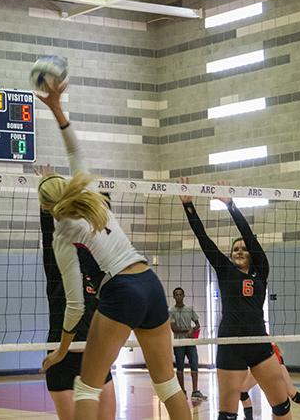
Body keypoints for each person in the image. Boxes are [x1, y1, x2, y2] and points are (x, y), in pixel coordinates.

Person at [37, 82, 191, 420]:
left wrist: (62, 348)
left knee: (87, 387)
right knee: (168, 384)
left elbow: (75, 304)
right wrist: (57, 109)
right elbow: (75, 152)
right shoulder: (90, 192)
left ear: (46, 209)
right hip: (150, 282)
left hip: (121, 291)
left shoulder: (61, 235)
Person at [178, 178, 292, 420]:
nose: (240, 251)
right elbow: (204, 239)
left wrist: (231, 205)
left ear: (251, 254)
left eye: (244, 249)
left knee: (281, 405)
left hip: (259, 342)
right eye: (235, 249)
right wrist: (189, 206)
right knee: (227, 413)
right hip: (230, 344)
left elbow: (249, 236)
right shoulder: (224, 270)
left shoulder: (261, 271)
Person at [39, 182, 116, 420]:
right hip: (61, 358)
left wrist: (103, 195)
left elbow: (105, 230)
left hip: (94, 353)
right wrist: (46, 200)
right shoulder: (57, 264)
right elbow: (48, 232)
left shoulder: (96, 265)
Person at [240, 344, 300, 420]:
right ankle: (249, 418)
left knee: (292, 394)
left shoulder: (257, 333)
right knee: (242, 391)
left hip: (271, 362)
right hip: (265, 361)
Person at [169, 287, 206, 400]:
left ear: (184, 296)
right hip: (179, 343)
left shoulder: (189, 309)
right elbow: (174, 328)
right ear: (174, 297)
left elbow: (198, 325)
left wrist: (194, 330)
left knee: (194, 364)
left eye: (180, 294)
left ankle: (195, 391)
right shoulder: (171, 310)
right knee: (180, 366)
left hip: (190, 342)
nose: (178, 296)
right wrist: (189, 330)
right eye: (176, 294)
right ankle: (182, 391)